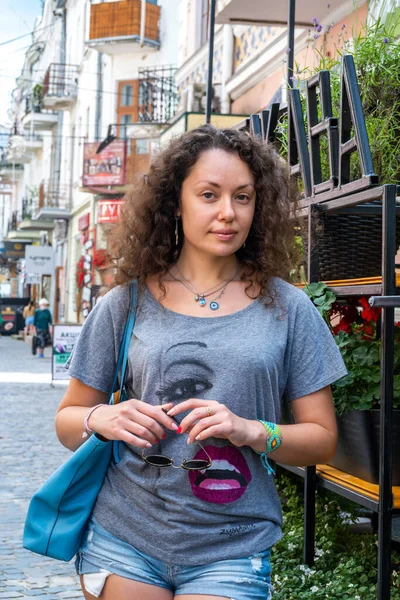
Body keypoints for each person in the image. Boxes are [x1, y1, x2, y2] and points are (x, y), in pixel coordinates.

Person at [56, 125, 347, 600]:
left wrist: (253, 430)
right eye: (209, 195)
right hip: (123, 536)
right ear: (176, 202)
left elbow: (322, 441)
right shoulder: (124, 304)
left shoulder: (289, 308)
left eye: (243, 197)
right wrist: (103, 417)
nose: (227, 213)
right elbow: (68, 423)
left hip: (234, 545)